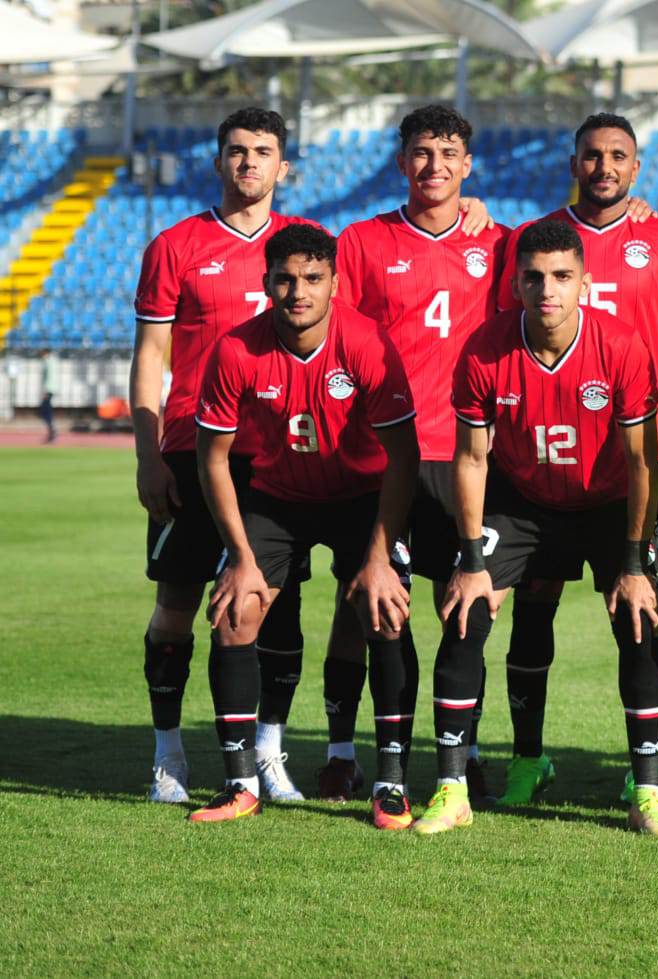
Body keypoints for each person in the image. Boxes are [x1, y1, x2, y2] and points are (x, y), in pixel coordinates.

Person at [489, 112, 658, 806]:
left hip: (633, 464)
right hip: (537, 466)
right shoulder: (534, 242)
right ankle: (528, 758)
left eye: (617, 156)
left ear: (637, 168)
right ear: (575, 162)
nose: (604, 166)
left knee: (639, 608)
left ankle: (643, 768)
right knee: (531, 610)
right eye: (592, 155)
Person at [438, 220, 658, 835]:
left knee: (641, 620)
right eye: (535, 277)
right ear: (515, 283)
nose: (548, 289)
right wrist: (469, 560)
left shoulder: (620, 346)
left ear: (584, 283)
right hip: (524, 502)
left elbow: (642, 462)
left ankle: (645, 787)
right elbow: (470, 458)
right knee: (466, 613)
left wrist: (633, 563)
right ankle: (461, 785)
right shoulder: (485, 347)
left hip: (611, 503)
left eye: (562, 276)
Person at [190, 224, 420, 826]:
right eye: (286, 279)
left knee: (386, 608)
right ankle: (240, 783)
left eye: (313, 279)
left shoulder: (368, 343)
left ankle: (391, 783)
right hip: (277, 498)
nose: (299, 291)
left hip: (362, 498)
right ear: (265, 282)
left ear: (334, 284)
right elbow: (212, 459)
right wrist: (239, 556)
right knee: (237, 610)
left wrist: (378, 556)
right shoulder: (236, 349)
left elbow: (404, 460)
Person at [130, 108, 317, 805]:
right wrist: (147, 455)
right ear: (219, 161)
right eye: (236, 151)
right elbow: (151, 356)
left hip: (275, 455)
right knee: (176, 603)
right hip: (187, 448)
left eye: (263, 152)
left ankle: (268, 750)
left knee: (278, 605)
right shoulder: (176, 245)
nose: (248, 163)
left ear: (283, 166)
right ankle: (168, 754)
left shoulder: (304, 250)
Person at [327, 104, 510, 805]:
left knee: (465, 610)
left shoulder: (499, 243)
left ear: (468, 165)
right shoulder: (364, 241)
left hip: (465, 455)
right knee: (371, 607)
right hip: (383, 455)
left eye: (448, 153)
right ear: (401, 162)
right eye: (421, 152)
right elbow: (342, 339)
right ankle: (356, 754)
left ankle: (462, 757)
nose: (434, 165)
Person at [39, 348, 57, 443]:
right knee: (46, 411)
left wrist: (45, 391)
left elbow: (49, 377)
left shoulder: (48, 361)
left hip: (49, 390)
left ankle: (52, 430)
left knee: (45, 411)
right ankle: (51, 430)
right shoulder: (54, 361)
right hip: (51, 389)